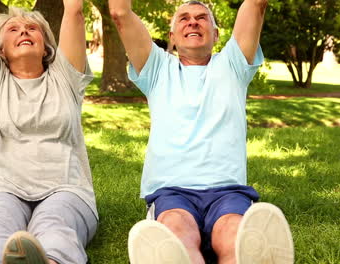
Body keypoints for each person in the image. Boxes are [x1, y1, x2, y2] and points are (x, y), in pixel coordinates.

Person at [109, 0, 294, 263]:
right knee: (176, 230)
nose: (193, 22)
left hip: (228, 191)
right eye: (183, 18)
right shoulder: (157, 68)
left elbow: (256, 4)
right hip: (172, 192)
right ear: (171, 37)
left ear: (217, 35)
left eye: (201, 18)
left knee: (233, 234)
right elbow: (119, 13)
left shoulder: (233, 64)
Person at [0, 0, 97, 263]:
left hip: (64, 188)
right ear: (1, 51)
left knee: (55, 226)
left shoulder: (67, 78)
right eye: (14, 29)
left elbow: (74, 10)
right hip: (0, 187)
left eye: (32, 28)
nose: (25, 32)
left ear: (47, 47)